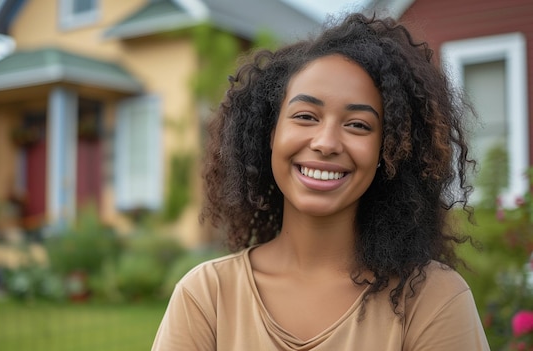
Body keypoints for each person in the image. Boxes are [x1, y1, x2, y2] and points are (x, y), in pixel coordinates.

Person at [152, 13, 490, 350]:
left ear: (388, 149)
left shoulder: (432, 299)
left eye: (358, 124)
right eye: (305, 117)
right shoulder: (206, 296)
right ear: (271, 133)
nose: (326, 143)